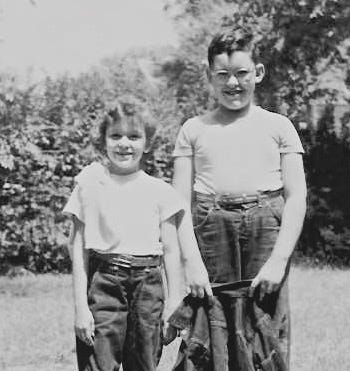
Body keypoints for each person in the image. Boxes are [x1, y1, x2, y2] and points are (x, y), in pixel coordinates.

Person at [172, 27, 307, 369]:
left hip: (266, 230)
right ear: (209, 76)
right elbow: (178, 206)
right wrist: (192, 263)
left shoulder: (279, 126)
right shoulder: (193, 129)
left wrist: (278, 261)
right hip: (211, 230)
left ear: (258, 73)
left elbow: (296, 198)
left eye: (242, 73)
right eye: (223, 75)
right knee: (208, 331)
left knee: (265, 332)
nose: (233, 83)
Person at [63, 100, 211, 371]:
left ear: (148, 142)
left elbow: (170, 250)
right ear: (103, 140)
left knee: (143, 363)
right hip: (104, 283)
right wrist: (81, 309)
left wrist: (173, 304)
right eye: (116, 135)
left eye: (134, 137)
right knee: (98, 364)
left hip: (147, 286)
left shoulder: (160, 192)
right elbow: (78, 250)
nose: (124, 144)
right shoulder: (89, 183)